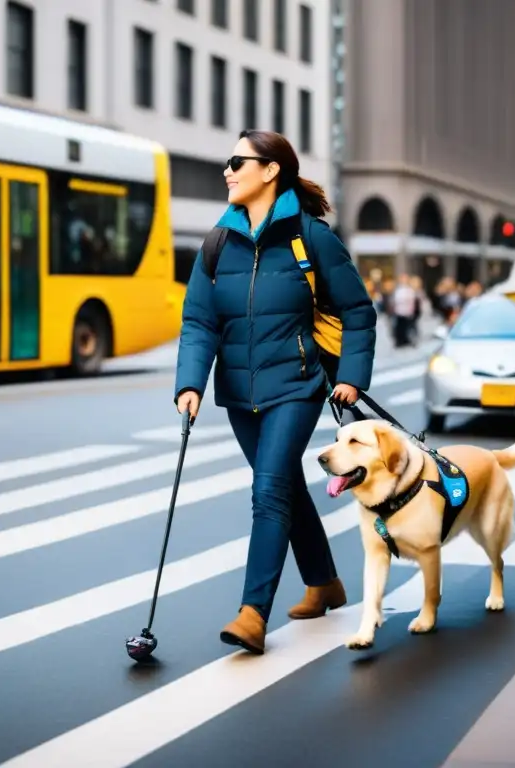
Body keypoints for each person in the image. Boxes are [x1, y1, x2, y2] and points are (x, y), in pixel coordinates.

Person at [173, 129, 377, 655]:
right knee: (282, 483)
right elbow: (198, 319)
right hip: (239, 392)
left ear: (270, 171)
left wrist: (352, 376)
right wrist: (190, 382)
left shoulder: (310, 238)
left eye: (238, 160)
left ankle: (251, 614)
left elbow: (357, 311)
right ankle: (324, 582)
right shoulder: (218, 242)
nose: (228, 170)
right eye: (228, 160)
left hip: (297, 385)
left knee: (267, 492)